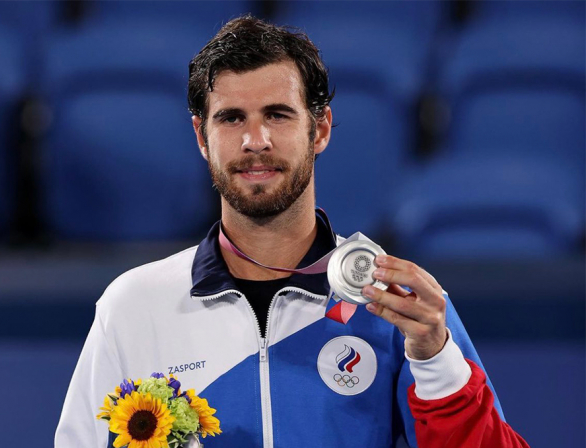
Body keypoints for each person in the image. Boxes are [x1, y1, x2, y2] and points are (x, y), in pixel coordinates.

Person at [55, 15, 529, 448]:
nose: (255, 141)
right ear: (202, 137)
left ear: (319, 130)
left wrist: (435, 359)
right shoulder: (135, 306)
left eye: (277, 115)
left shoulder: (397, 305)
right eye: (232, 118)